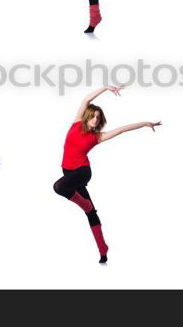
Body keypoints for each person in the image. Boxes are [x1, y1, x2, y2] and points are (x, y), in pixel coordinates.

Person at [53, 86, 161, 263]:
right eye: (93, 116)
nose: (95, 120)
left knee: (59, 187)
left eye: (98, 118)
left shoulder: (97, 137)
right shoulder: (77, 122)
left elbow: (122, 129)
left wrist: (145, 123)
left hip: (82, 172)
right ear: (87, 116)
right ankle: (103, 249)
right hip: (69, 173)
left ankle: (85, 206)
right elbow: (87, 99)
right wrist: (106, 88)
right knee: (91, 213)